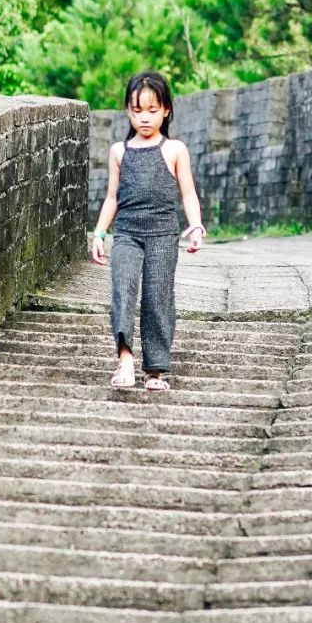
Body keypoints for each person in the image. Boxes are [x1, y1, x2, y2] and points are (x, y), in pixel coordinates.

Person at [89, 70, 205, 391]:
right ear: (128, 110)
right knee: (123, 287)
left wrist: (195, 225)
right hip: (126, 233)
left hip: (163, 235)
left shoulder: (175, 149)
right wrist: (99, 234)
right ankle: (124, 357)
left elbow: (188, 194)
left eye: (152, 110)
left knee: (157, 297)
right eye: (137, 110)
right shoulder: (119, 151)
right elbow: (112, 197)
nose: (144, 118)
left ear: (166, 110)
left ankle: (155, 369)